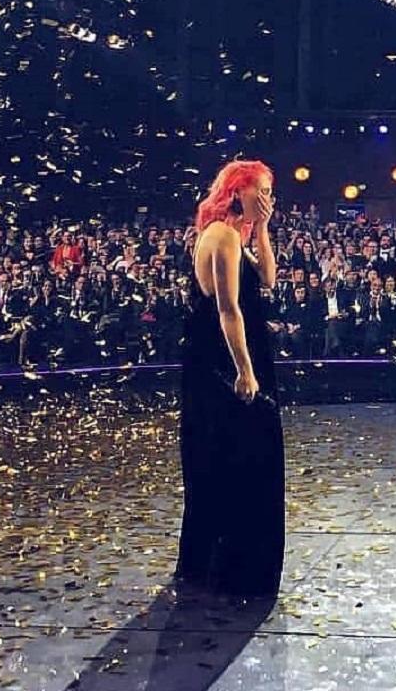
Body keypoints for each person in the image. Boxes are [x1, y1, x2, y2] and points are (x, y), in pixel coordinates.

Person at [176, 159, 284, 598]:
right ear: (237, 191)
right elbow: (227, 309)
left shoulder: (236, 235)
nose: (267, 199)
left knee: (244, 456)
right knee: (236, 457)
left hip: (238, 355)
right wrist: (245, 371)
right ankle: (229, 567)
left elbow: (269, 278)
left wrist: (262, 228)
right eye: (261, 190)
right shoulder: (220, 235)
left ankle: (229, 563)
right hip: (223, 361)